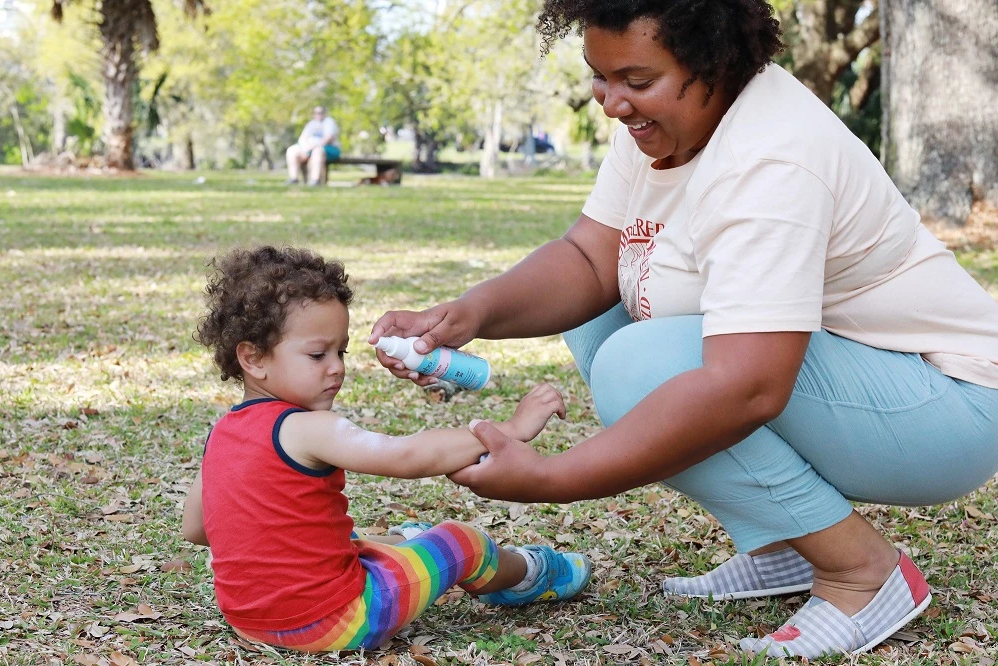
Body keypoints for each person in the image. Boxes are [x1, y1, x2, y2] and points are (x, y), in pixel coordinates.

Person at [369, 0, 998, 659]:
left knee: (640, 366)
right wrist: (469, 314)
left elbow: (748, 389)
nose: (612, 103)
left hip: (948, 409)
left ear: (715, 64)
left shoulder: (769, 159)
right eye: (601, 76)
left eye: (637, 81)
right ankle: (784, 543)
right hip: (861, 376)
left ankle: (861, 574)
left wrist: (553, 477)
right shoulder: (664, 124)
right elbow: (591, 259)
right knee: (603, 317)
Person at [180, 246, 592, 652]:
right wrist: (510, 429)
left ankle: (406, 542)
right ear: (253, 358)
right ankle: (529, 575)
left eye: (340, 351)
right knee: (461, 542)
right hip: (339, 620)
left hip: (249, 621)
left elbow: (196, 529)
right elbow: (405, 454)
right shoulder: (306, 427)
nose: (337, 367)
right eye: (317, 354)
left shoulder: (222, 433)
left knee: (350, 540)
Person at [285, 106, 341, 185]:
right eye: (316, 113)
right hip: (308, 148)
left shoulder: (329, 122)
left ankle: (315, 180)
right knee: (291, 150)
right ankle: (293, 178)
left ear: (325, 113)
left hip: (329, 149)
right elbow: (302, 138)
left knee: (317, 151)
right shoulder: (311, 124)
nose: (318, 114)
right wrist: (305, 149)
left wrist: (312, 148)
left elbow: (329, 138)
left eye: (320, 112)